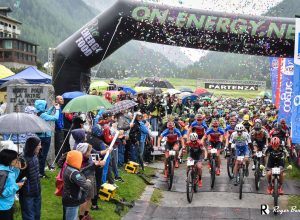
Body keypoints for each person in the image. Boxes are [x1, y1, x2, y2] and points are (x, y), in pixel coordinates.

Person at [62, 150, 91, 220]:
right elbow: (85, 185)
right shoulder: (74, 173)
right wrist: (88, 182)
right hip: (72, 201)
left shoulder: (67, 167)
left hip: (66, 197)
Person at [34, 99, 60, 178]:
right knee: (43, 155)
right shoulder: (42, 115)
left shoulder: (39, 113)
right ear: (42, 106)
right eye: (44, 105)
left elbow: (47, 113)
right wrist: (57, 109)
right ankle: (41, 173)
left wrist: (52, 107)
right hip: (45, 138)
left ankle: (39, 172)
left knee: (40, 155)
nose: (45, 106)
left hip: (41, 137)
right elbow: (55, 118)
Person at [18, 137, 42, 220]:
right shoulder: (22, 160)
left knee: (37, 214)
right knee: (29, 216)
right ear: (33, 146)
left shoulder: (35, 156)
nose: (40, 147)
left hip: (37, 191)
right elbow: (17, 178)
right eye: (38, 145)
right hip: (27, 193)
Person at [0, 149, 24, 220]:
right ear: (9, 159)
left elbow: (12, 179)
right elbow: (2, 193)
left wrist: (17, 169)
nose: (17, 160)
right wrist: (16, 186)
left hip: (7, 204)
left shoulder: (8, 168)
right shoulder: (2, 173)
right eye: (16, 158)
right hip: (2, 207)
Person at [54, 96, 65, 162]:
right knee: (59, 144)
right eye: (61, 99)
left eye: (62, 99)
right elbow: (57, 119)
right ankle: (58, 159)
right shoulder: (57, 108)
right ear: (57, 100)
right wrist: (60, 127)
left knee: (60, 143)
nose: (62, 100)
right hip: (59, 129)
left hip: (60, 127)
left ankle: (59, 158)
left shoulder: (60, 108)